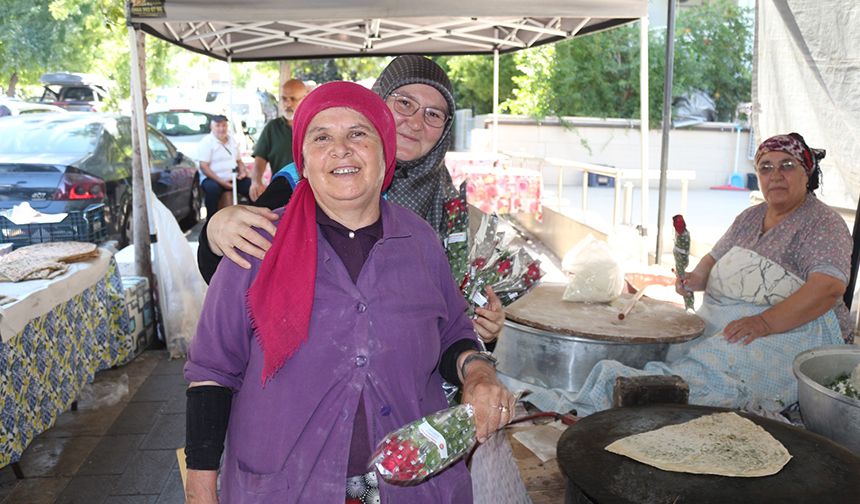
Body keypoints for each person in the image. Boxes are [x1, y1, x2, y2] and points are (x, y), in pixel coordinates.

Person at [184, 81, 513, 503]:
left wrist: (479, 371)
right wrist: (200, 492)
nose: (340, 149)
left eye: (358, 133)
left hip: (411, 486)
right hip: (285, 489)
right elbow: (212, 371)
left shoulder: (421, 242)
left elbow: (452, 334)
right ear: (302, 159)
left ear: (384, 152)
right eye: (322, 137)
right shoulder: (256, 242)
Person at [196, 55, 505, 344]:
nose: (415, 122)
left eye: (433, 114)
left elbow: (450, 315)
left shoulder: (448, 204)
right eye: (405, 103)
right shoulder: (310, 181)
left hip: (416, 384)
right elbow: (228, 273)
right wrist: (214, 233)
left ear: (445, 128)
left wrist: (481, 330)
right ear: (377, 105)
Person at [559, 132, 852, 417]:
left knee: (715, 369)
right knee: (670, 347)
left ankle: (642, 400)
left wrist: (764, 322)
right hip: (729, 320)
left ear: (807, 173)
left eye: (787, 165)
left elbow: (828, 288)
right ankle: (631, 393)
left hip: (795, 330)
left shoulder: (822, 222)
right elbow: (713, 259)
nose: (775, 174)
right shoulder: (750, 217)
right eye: (766, 167)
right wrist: (694, 279)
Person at [248, 78, 309, 201]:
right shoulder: (272, 128)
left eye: (293, 99)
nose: (288, 104)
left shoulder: (314, 126)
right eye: (284, 99)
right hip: (281, 192)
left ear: (305, 98)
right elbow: (260, 159)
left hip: (312, 192)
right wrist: (256, 181)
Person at [196, 115, 250, 219]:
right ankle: (211, 221)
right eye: (218, 126)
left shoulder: (232, 140)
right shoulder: (206, 142)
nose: (221, 129)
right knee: (212, 190)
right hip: (213, 178)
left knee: (250, 186)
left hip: (233, 177)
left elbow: (239, 161)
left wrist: (243, 172)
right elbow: (204, 166)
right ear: (212, 127)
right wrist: (222, 182)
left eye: (224, 125)